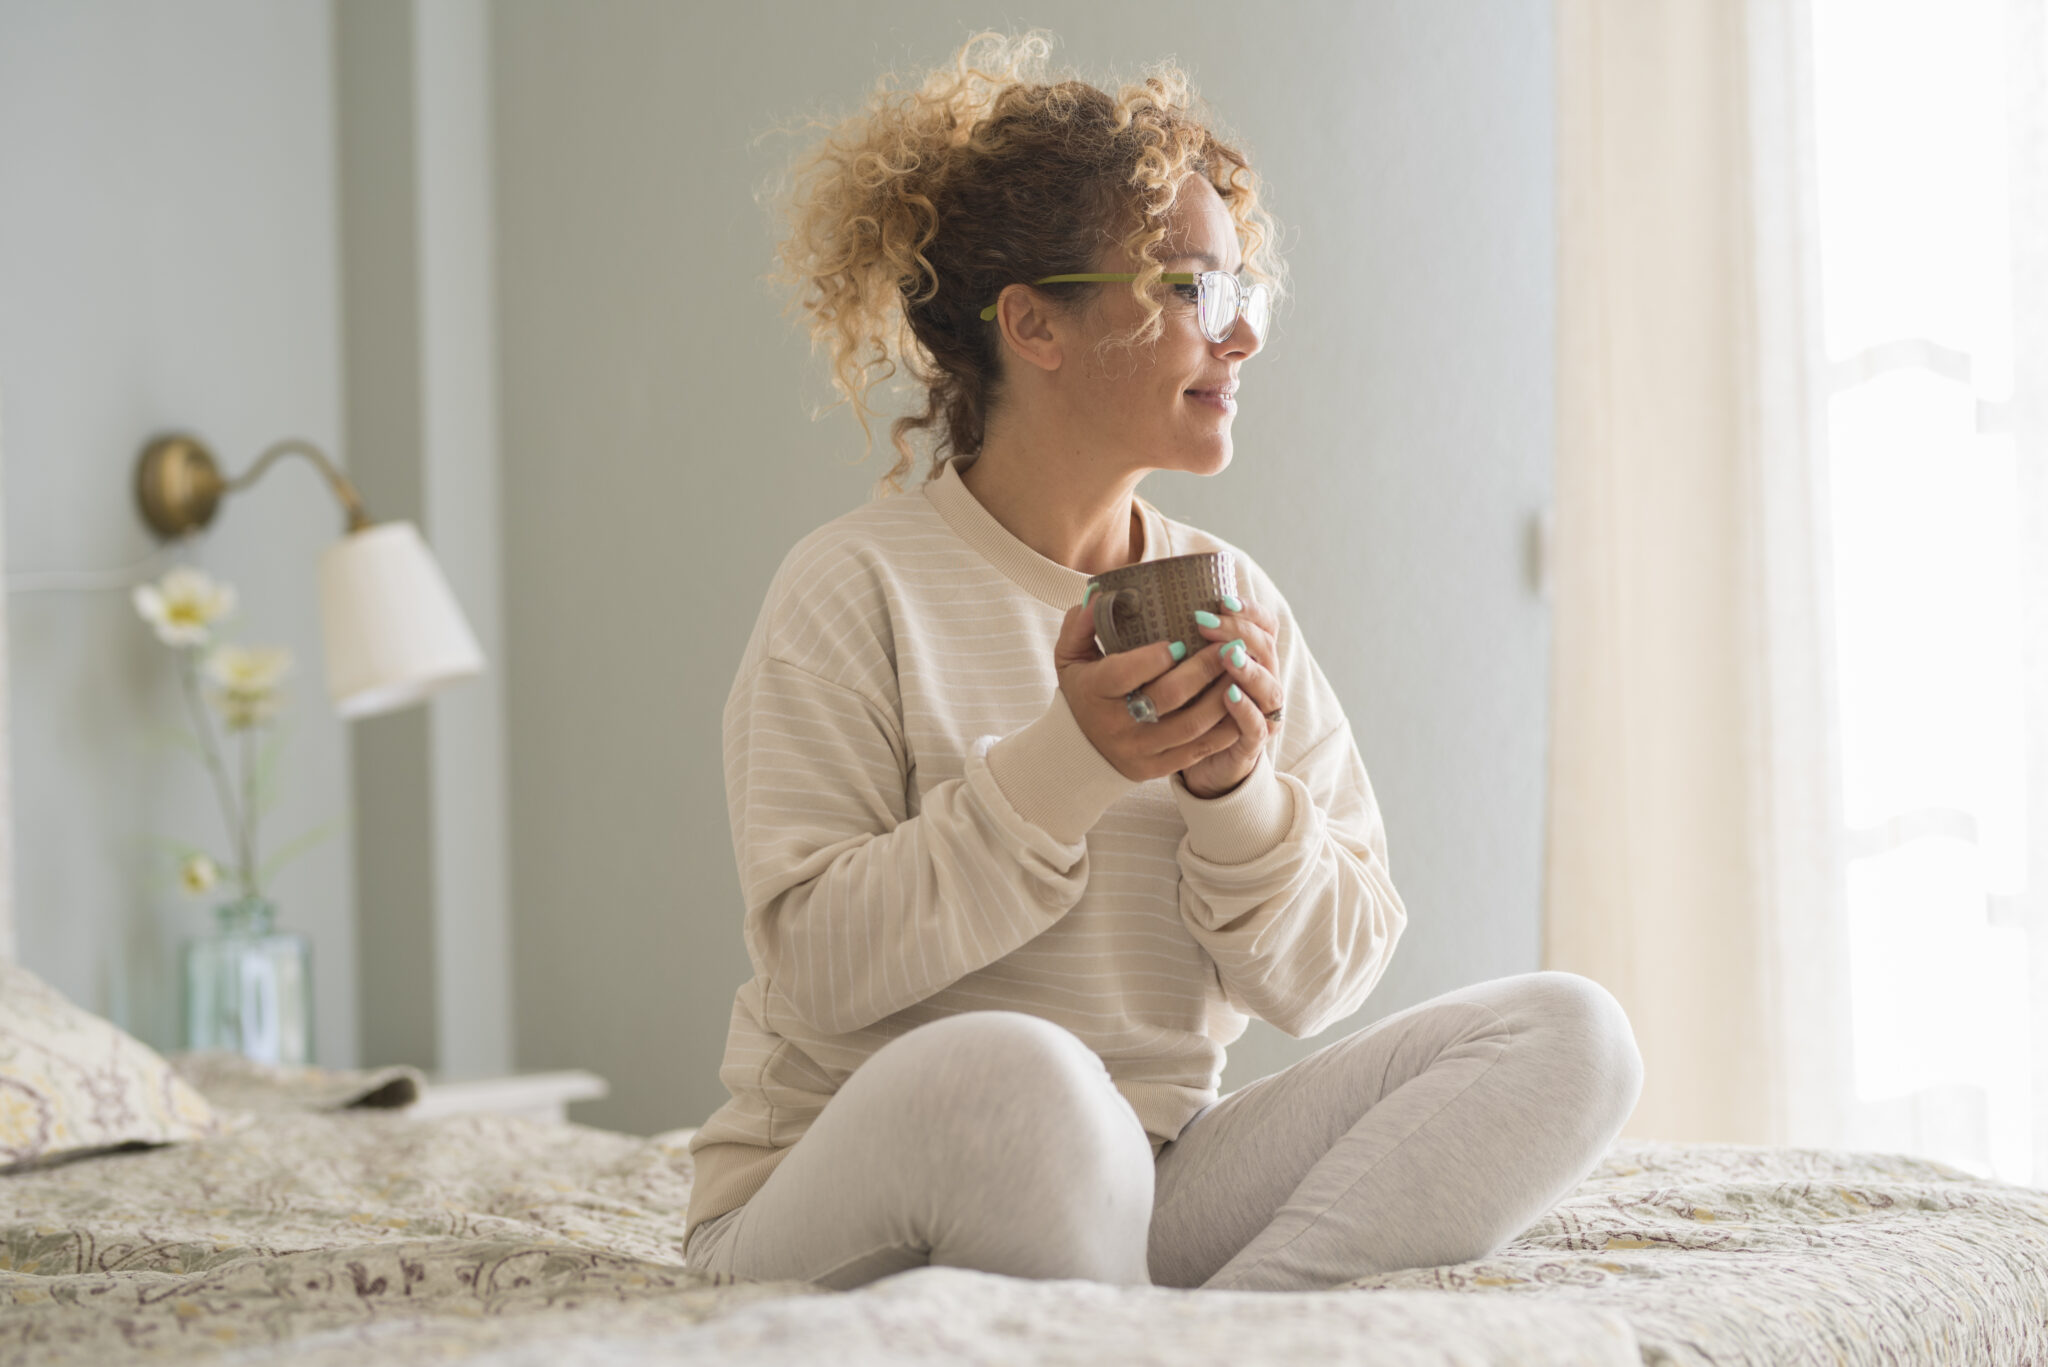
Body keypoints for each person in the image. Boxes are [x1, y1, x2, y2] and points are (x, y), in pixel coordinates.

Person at [682, 29, 1643, 1293]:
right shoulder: (855, 584)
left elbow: (1326, 974)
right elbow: (820, 964)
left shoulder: (1235, 601)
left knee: (1570, 1033)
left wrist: (1230, 796)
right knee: (1027, 1069)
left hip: (1145, 1178)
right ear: (1033, 323)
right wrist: (1066, 765)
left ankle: (1204, 1337)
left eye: (1241, 292)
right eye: (1191, 290)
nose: (1238, 337)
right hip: (850, 1189)